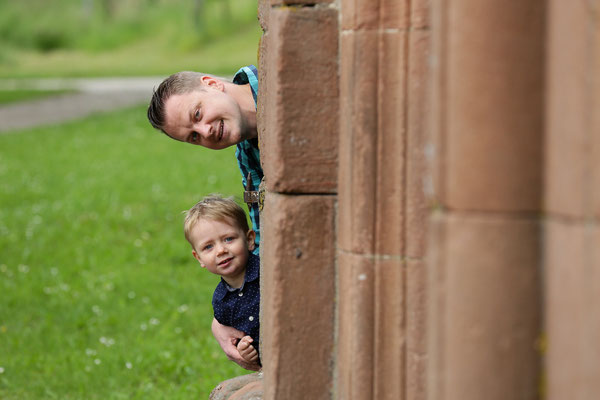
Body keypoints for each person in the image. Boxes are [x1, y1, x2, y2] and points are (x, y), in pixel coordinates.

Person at [147, 66, 262, 370]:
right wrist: (227, 313)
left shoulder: (283, 82)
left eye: (197, 115)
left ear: (212, 84)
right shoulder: (247, 157)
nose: (206, 132)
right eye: (194, 138)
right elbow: (262, 239)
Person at [184, 195, 261, 369]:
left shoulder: (267, 272)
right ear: (199, 258)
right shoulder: (221, 302)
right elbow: (238, 339)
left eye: (228, 239)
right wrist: (245, 350)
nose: (220, 250)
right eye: (208, 247)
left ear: (249, 240)